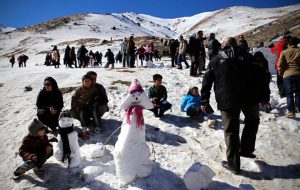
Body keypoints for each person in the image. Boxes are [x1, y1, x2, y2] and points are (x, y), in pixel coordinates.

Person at [201, 37, 270, 174]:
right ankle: (246, 149)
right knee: (253, 120)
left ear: (223, 45)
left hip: (227, 99)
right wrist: (264, 97)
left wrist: (204, 100)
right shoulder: (248, 56)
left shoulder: (216, 59)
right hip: (250, 98)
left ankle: (234, 165)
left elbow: (207, 80)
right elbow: (262, 76)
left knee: (231, 131)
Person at [277, 37, 300, 118]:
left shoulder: (284, 52)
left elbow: (279, 65)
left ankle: (291, 111)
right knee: (298, 92)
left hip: (288, 74)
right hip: (298, 73)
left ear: (289, 44)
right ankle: (299, 107)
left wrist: (281, 74)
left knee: (289, 93)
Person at [70, 75, 97, 140]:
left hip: (90, 107)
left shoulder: (94, 89)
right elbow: (74, 100)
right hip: (81, 107)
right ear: (83, 82)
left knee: (91, 111)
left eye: (88, 81)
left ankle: (95, 125)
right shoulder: (78, 90)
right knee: (76, 112)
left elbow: (97, 97)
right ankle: (84, 127)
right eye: (85, 81)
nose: (87, 82)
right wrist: (76, 106)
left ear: (91, 82)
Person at [271, 32, 290, 98]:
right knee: (287, 79)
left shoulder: (279, 43)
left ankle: (282, 93)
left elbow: (272, 50)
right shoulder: (289, 44)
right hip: (287, 64)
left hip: (278, 64)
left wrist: (272, 47)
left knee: (280, 80)